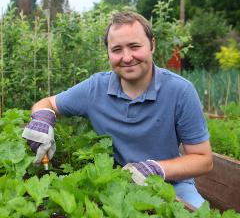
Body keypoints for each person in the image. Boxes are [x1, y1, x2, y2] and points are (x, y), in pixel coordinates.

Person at [22, 11, 213, 208]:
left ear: (152, 45)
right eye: (117, 50)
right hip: (114, 188)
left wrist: (155, 169)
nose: (127, 57)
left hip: (172, 186)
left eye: (134, 46)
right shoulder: (95, 88)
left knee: (199, 213)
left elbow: (203, 159)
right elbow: (48, 103)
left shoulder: (180, 91)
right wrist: (43, 118)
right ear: (108, 53)